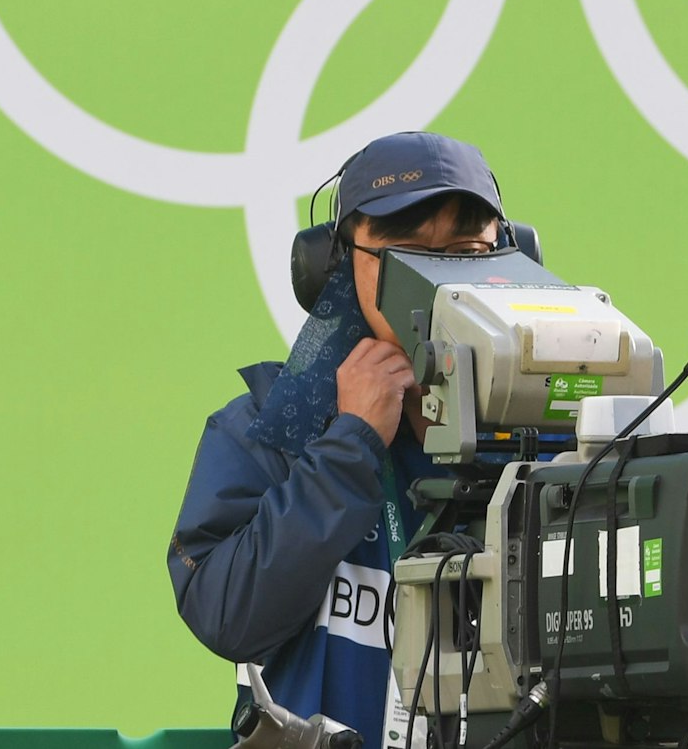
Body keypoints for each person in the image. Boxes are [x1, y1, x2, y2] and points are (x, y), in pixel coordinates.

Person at [167, 131, 507, 741]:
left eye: (464, 251)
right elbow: (226, 616)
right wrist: (350, 446)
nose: (434, 280)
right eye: (402, 252)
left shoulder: (555, 438)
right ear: (336, 262)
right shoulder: (265, 429)